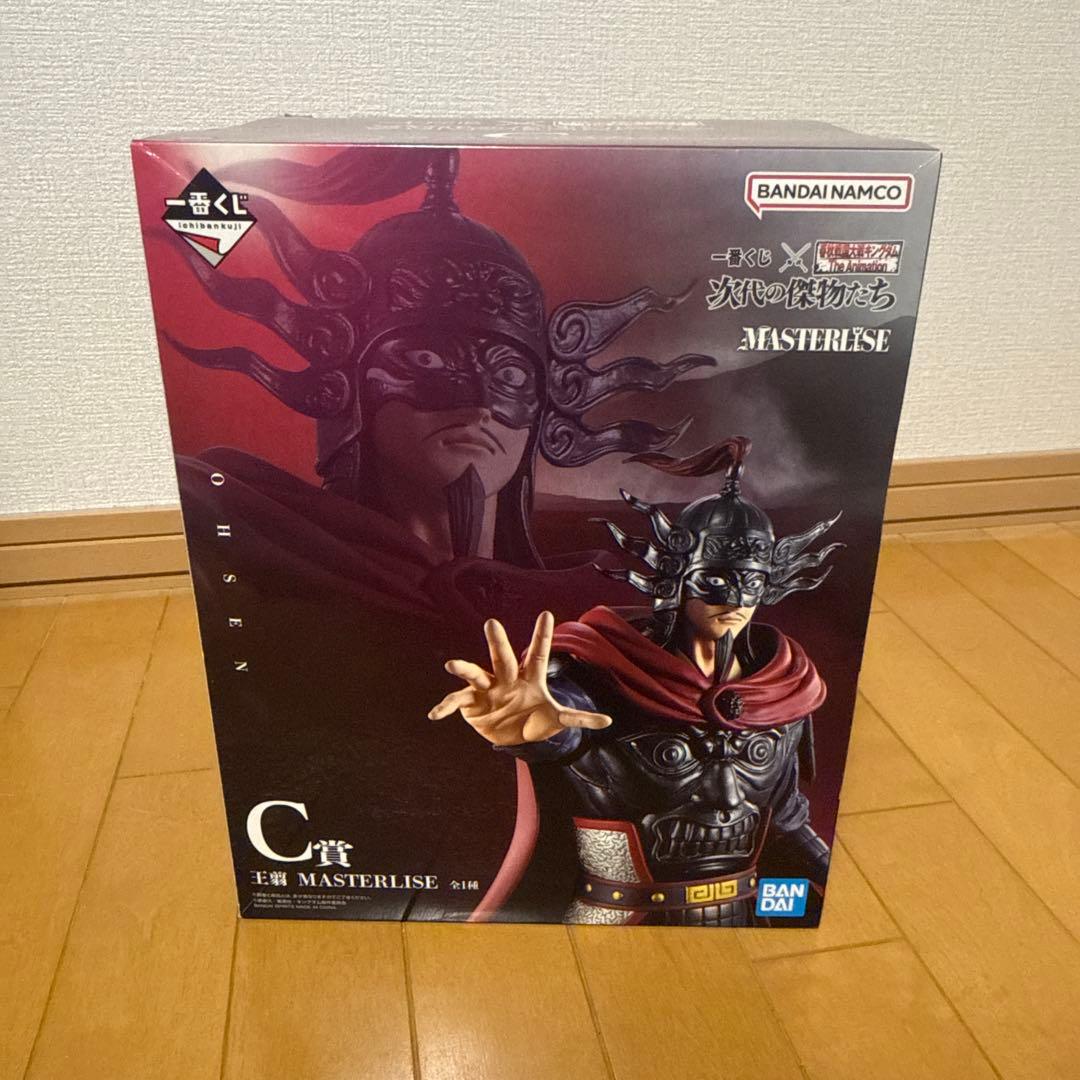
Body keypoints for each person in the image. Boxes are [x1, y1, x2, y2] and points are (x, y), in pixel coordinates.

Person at [430, 437, 842, 925]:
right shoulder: (603, 668)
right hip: (618, 918)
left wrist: (833, 888)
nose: (734, 600)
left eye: (750, 582)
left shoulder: (781, 687)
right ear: (676, 578)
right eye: (715, 580)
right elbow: (566, 721)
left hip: (746, 913)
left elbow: (787, 820)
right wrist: (534, 731)